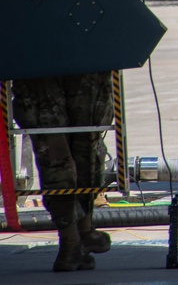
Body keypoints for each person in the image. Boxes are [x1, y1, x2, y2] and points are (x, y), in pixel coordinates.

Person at [12, 72, 114, 272]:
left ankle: (77, 236)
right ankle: (74, 239)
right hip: (65, 61)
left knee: (63, 151)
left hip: (45, 62)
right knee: (70, 148)